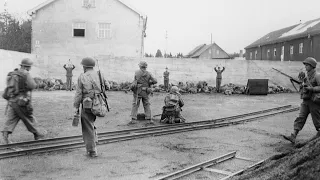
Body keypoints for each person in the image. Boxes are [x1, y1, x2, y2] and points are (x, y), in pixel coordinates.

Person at [1, 58, 44, 144]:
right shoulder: (25, 74)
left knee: (11, 119)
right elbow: (32, 86)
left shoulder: (13, 73)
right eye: (29, 67)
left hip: (12, 100)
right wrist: (37, 83)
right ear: (27, 67)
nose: (29, 69)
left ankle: (6, 135)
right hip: (22, 101)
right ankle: (37, 134)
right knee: (29, 118)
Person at [73, 57, 110, 158]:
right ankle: (94, 141)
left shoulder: (82, 76)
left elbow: (78, 94)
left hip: (87, 104)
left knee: (87, 126)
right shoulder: (100, 74)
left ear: (84, 66)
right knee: (91, 122)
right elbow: (107, 87)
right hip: (99, 104)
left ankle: (92, 150)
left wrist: (76, 106)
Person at [283, 57, 320, 144]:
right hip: (306, 101)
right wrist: (301, 84)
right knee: (300, 118)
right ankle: (293, 135)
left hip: (314, 101)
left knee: (317, 120)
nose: (305, 67)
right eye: (305, 65)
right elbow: (303, 87)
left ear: (312, 66)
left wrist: (311, 89)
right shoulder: (306, 76)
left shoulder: (317, 76)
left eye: (307, 65)